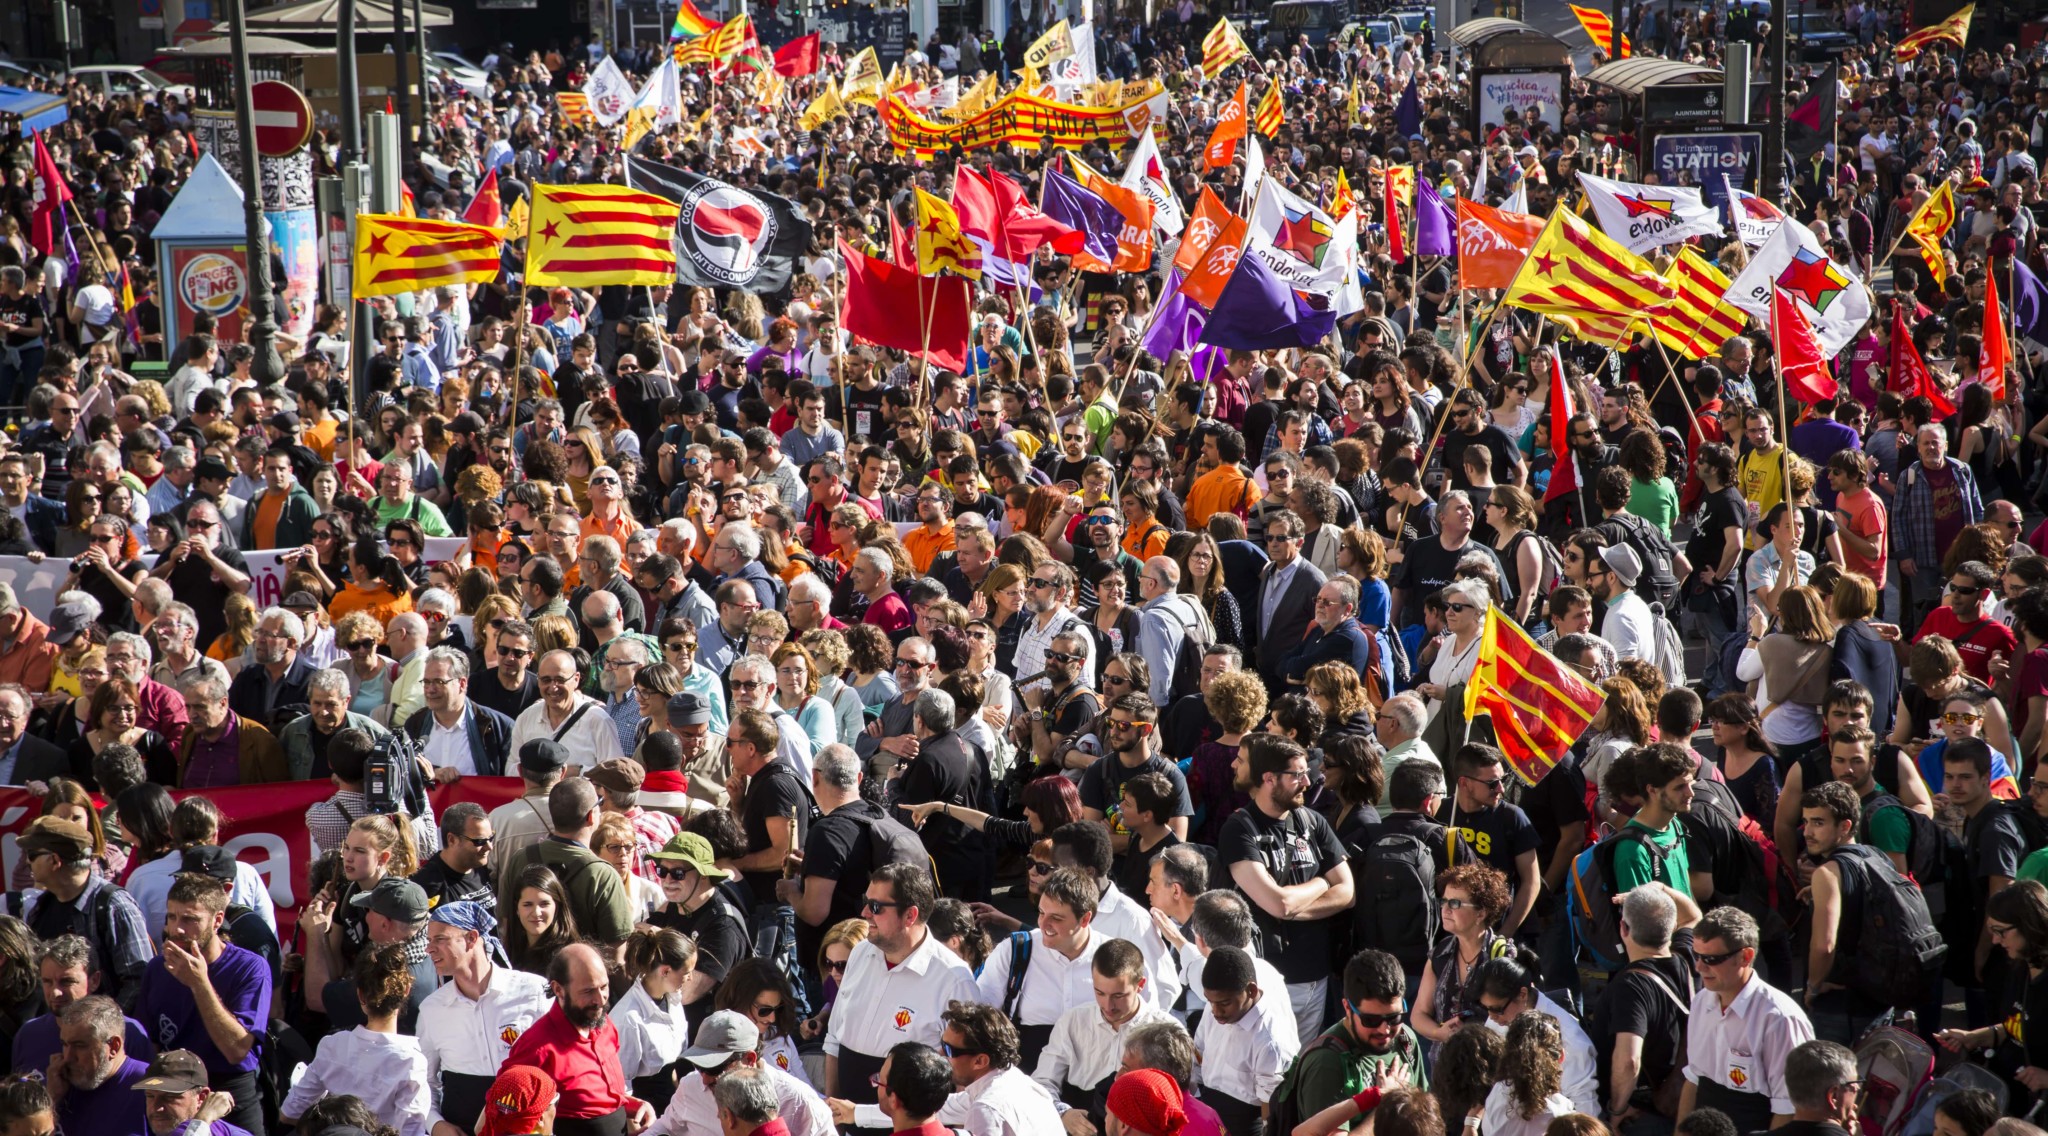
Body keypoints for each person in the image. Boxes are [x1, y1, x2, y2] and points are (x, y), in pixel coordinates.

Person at [1218, 735, 1353, 1044]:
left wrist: (1291, 906)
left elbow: (1347, 892)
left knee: (1301, 1071)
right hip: (1268, 981)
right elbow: (1279, 905)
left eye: (1307, 771)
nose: (1308, 781)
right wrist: (1321, 882)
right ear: (1269, 779)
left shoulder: (1312, 821)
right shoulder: (1239, 829)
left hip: (1316, 977)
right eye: (1297, 775)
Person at [822, 863, 979, 1104]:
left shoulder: (954, 979)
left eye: (875, 907)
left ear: (910, 915)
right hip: (848, 1118)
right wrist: (833, 1117)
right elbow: (835, 1038)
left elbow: (965, 1074)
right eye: (865, 901)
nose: (864, 912)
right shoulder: (860, 953)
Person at [133, 874, 270, 1136]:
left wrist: (199, 983)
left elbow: (237, 1049)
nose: (177, 929)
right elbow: (149, 1045)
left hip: (228, 1092)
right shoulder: (157, 969)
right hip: (172, 1087)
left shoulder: (249, 968)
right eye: (171, 917)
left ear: (217, 920)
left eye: (190, 919)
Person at [1677, 908, 1815, 1132]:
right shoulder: (1702, 1001)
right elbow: (1693, 1078)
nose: (1699, 967)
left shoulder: (1779, 1018)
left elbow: (1788, 1108)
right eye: (1697, 956)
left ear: (1746, 957)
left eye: (1711, 959)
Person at [503, 942, 657, 1136]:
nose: (600, 999)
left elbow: (604, 1095)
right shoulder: (536, 1048)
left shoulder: (604, 1025)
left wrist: (635, 1106)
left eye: (604, 987)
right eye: (588, 991)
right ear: (558, 989)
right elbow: (505, 1115)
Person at [279, 942, 431, 1136]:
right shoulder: (411, 1062)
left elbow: (290, 1113)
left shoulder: (332, 1045)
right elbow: (411, 1132)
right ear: (406, 990)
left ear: (360, 995)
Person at [1270, 949, 1426, 1126]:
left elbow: (1423, 1112)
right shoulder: (1326, 1063)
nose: (1385, 1029)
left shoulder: (1405, 1039)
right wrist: (1385, 1105)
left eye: (1394, 1017)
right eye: (1371, 1020)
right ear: (1347, 1007)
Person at [1596, 884, 1705, 1136]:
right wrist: (1662, 889)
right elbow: (1693, 915)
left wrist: (1616, 1111)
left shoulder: (1630, 986)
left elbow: (1629, 1061)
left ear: (1623, 928)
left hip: (1644, 1113)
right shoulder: (1689, 958)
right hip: (1685, 1100)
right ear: (1670, 927)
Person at [1192, 945, 1298, 1135]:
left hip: (1245, 1123)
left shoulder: (1270, 1040)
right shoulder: (1215, 1008)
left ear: (1251, 990)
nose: (1215, 1011)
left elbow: (1269, 1105)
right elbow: (1199, 1051)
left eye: (1224, 1003)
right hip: (1207, 1108)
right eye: (1210, 1002)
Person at [42, 994, 150, 1136]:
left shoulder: (148, 1088)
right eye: (65, 1044)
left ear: (114, 1047)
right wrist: (51, 1099)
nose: (68, 1057)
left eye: (80, 1046)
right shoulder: (61, 1085)